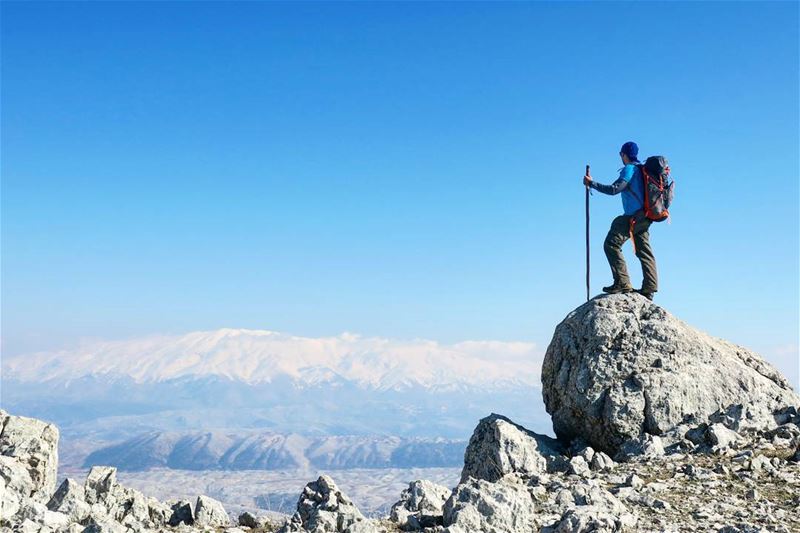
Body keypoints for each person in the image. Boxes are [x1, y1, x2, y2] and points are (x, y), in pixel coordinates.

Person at [583, 141, 658, 300]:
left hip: (632, 217)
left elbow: (614, 189)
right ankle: (649, 288)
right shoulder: (642, 170)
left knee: (611, 244)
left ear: (624, 154)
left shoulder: (629, 169)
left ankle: (622, 282)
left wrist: (592, 183)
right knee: (643, 251)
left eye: (620, 154)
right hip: (645, 216)